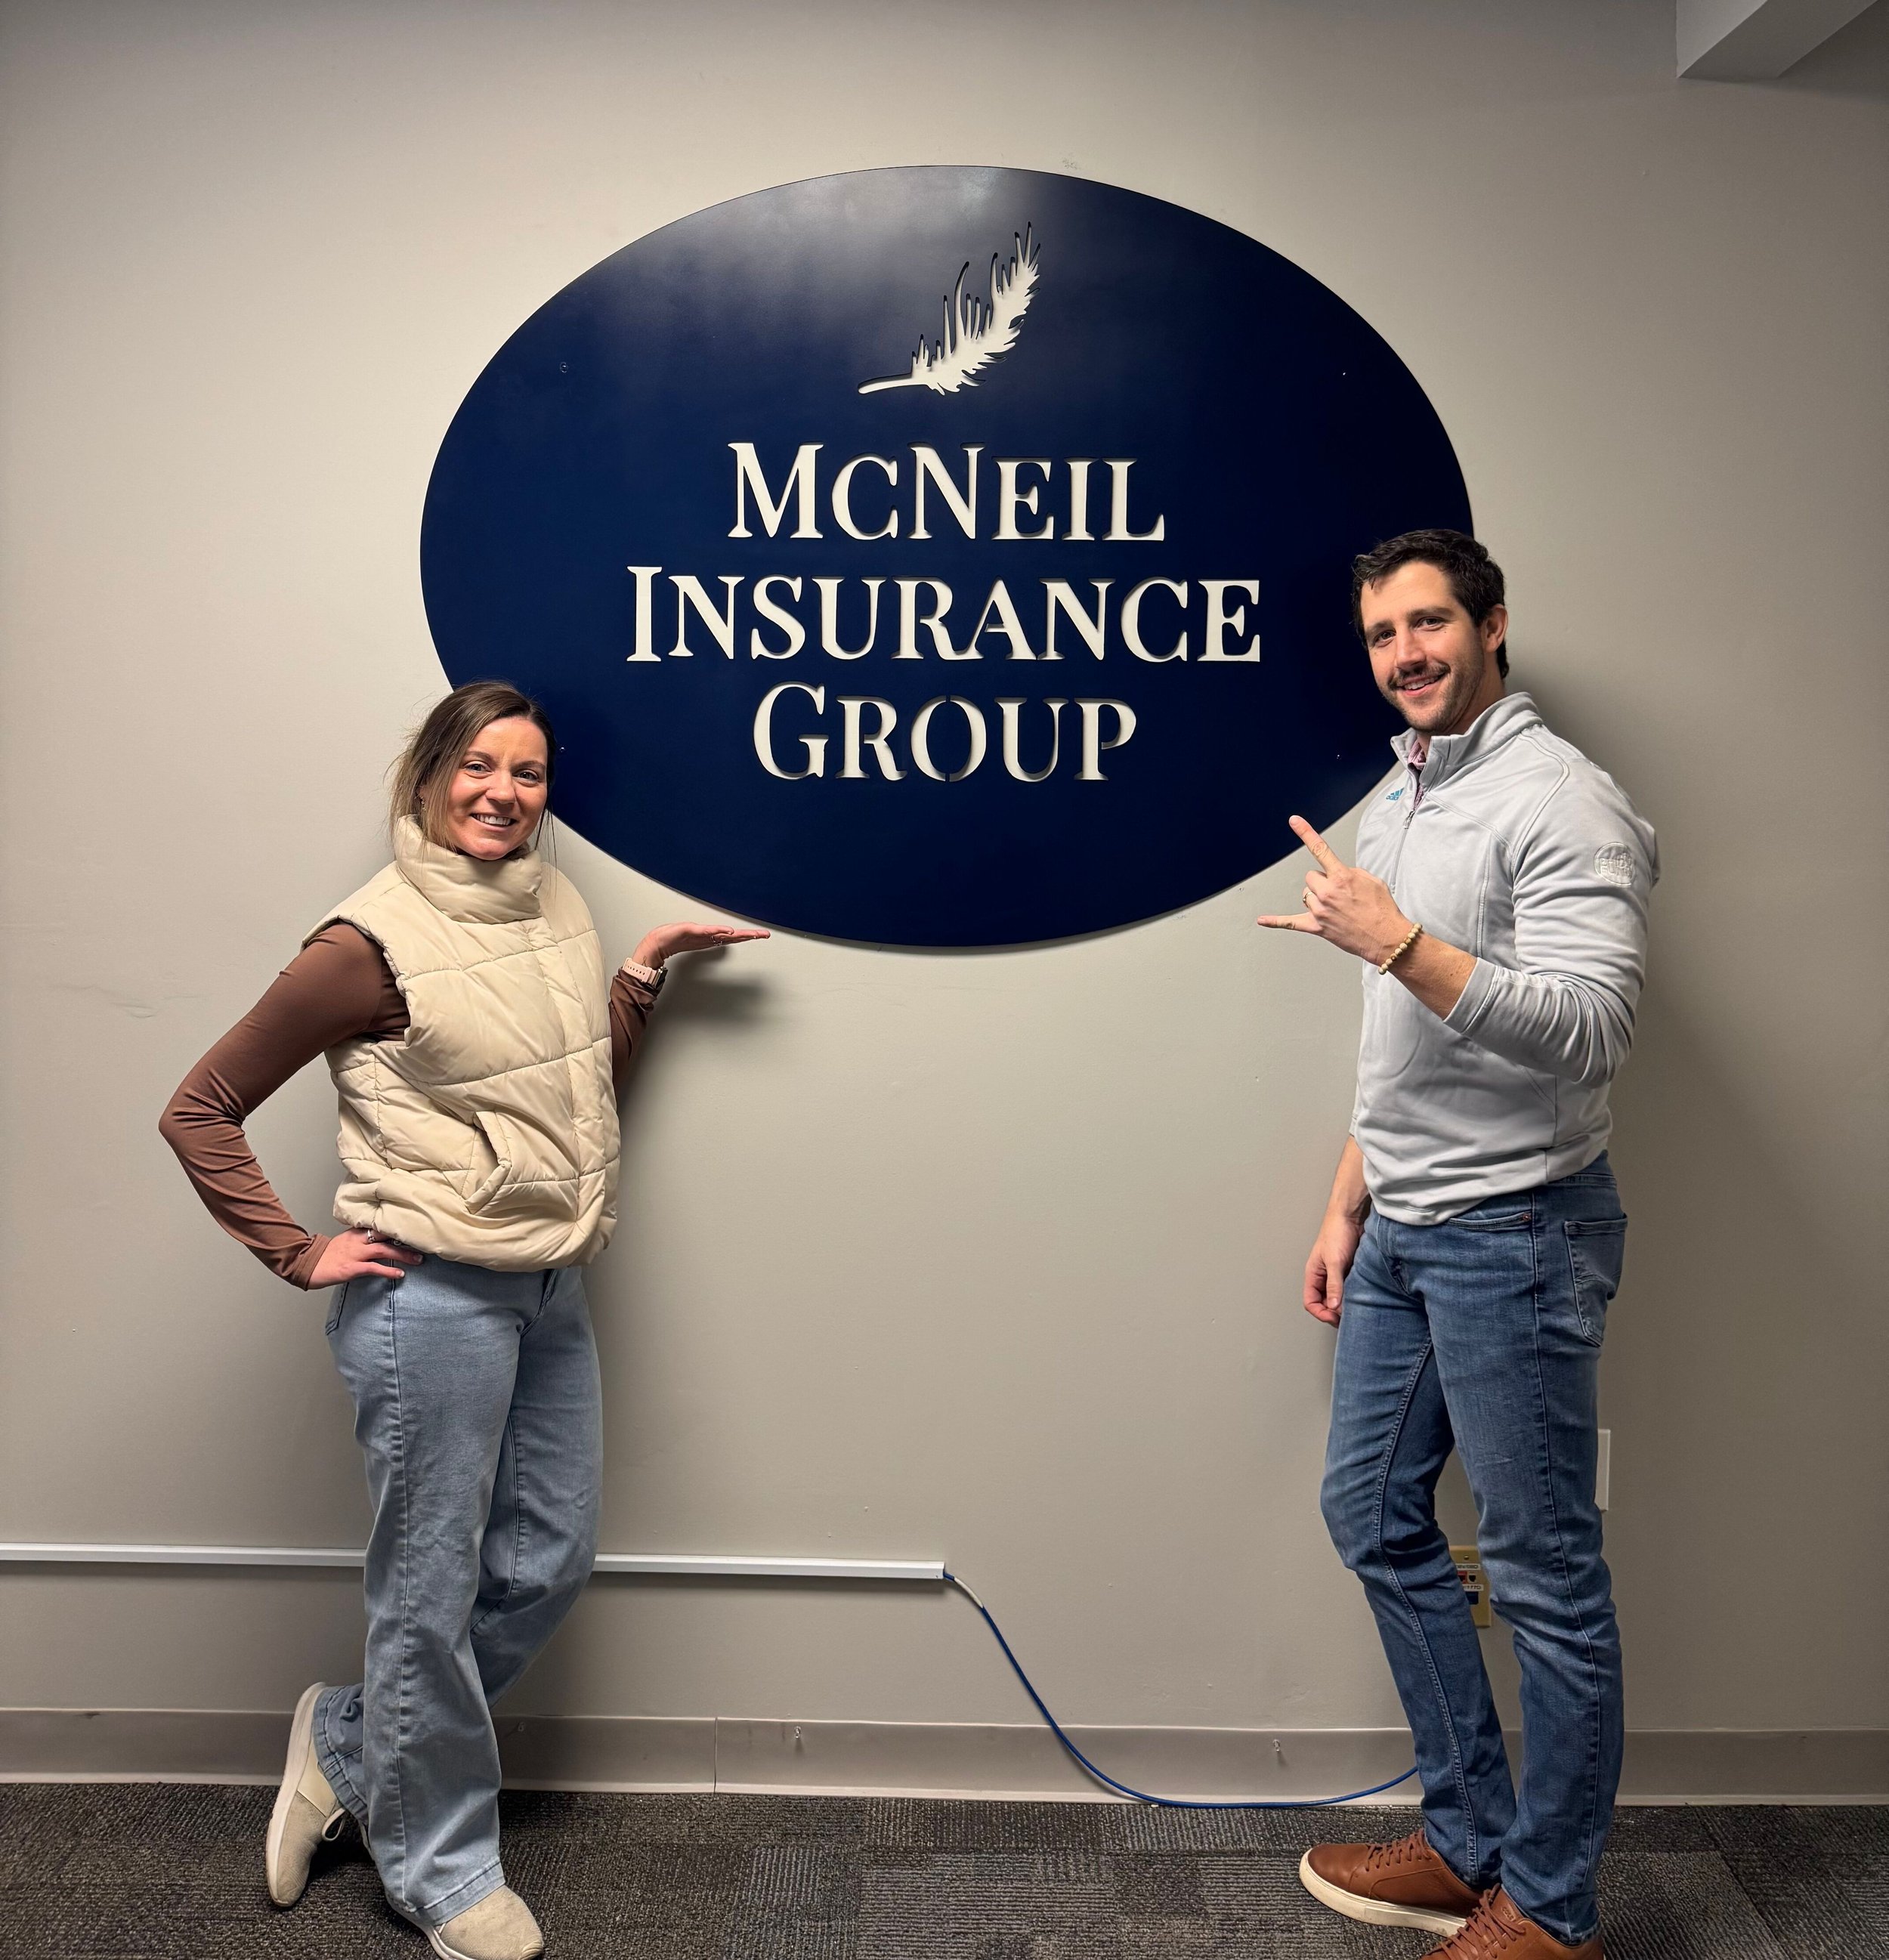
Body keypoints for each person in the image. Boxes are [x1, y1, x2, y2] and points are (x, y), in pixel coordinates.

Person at [159, 682, 766, 1960]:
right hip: (425, 1298)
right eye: (478, 766)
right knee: (427, 1590)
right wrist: (298, 1250)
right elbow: (199, 1106)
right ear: (429, 776)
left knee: (546, 1556)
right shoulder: (364, 944)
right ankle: (437, 1869)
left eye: (529, 772)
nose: (503, 791)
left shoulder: (551, 901)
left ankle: (345, 1740)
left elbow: (562, 1093)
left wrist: (641, 975)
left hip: (548, 1283)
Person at [1258, 532, 1656, 1959]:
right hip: (1408, 1229)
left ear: (1494, 626)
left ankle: (1548, 1907)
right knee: (1369, 1510)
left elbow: (1593, 1023)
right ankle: (1471, 1834)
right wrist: (1345, 1200)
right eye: (1382, 633)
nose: (1406, 653)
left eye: (1431, 623)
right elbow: (1405, 1028)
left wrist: (1399, 940)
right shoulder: (1404, 795)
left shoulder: (1566, 802)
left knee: (1546, 1571)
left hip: (1521, 1229)